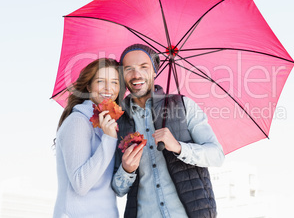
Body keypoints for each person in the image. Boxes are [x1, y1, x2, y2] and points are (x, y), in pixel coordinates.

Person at [112, 44, 225, 218]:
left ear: (155, 69)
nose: (136, 75)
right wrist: (126, 170)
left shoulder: (184, 106)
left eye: (144, 67)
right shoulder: (118, 121)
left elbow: (217, 155)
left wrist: (179, 147)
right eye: (129, 69)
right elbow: (118, 190)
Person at [53, 58, 121, 218]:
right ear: (88, 86)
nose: (108, 88)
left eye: (114, 82)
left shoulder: (106, 124)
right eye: (100, 81)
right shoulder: (78, 122)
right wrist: (109, 140)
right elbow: (81, 184)